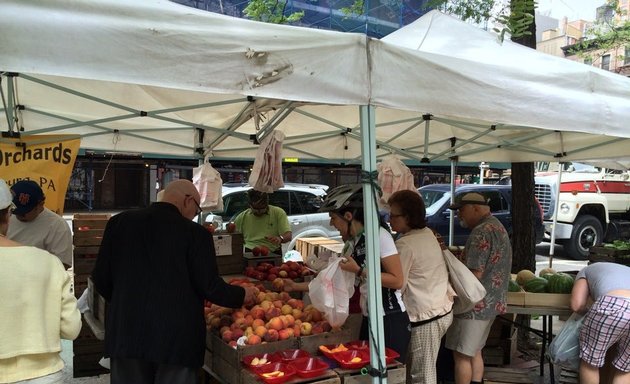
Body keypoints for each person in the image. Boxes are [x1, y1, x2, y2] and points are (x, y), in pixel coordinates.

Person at [91, 179, 256, 384]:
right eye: (196, 210)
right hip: (176, 340)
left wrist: (126, 302)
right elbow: (209, 286)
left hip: (126, 334)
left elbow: (100, 277)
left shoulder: (119, 223)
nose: (194, 216)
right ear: (188, 201)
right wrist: (242, 295)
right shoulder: (196, 234)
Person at [0, 178, 82, 383]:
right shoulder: (48, 264)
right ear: (8, 215)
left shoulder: (57, 226)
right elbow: (71, 328)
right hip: (42, 373)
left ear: (41, 204)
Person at [319, 184, 410, 362]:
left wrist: (360, 270)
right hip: (369, 316)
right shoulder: (357, 241)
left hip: (389, 318)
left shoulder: (379, 236)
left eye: (333, 217)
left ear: (348, 216)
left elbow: (397, 280)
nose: (331, 223)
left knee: (388, 376)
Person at [444, 192, 512, 384]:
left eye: (461, 211)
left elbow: (474, 274)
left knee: (462, 355)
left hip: (473, 306)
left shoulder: (481, 231)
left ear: (475, 208)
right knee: (475, 351)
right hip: (491, 303)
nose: (459, 216)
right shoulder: (497, 226)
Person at [387, 190, 453, 384]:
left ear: (408, 217)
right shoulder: (428, 233)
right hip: (441, 309)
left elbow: (398, 281)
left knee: (421, 375)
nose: (389, 219)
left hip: (426, 317)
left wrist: (364, 272)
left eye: (393, 215)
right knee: (423, 368)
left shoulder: (406, 244)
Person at [570, 262, 630, 384]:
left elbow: (577, 305)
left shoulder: (585, 271)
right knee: (625, 368)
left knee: (590, 363)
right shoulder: (626, 270)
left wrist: (590, 311)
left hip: (612, 305)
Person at [7, 180, 73, 269]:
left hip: (40, 279)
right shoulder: (6, 217)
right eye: (15, 211)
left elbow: (63, 264)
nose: (19, 216)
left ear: (41, 205)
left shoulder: (57, 225)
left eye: (24, 212)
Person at [234, 188, 292, 255]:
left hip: (273, 251)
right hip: (250, 252)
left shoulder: (278, 213)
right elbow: (235, 239)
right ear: (250, 205)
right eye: (255, 209)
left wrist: (280, 238)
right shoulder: (242, 217)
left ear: (267, 205)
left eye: (262, 209)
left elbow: (288, 235)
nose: (259, 212)